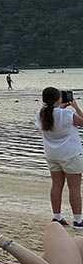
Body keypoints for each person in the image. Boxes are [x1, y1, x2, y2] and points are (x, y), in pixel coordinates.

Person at [38, 87, 83, 228]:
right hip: (70, 154)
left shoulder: (41, 113)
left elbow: (53, 116)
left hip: (52, 155)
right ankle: (78, 220)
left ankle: (57, 217)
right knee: (74, 188)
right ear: (58, 99)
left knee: (56, 185)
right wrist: (76, 107)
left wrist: (60, 108)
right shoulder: (66, 114)